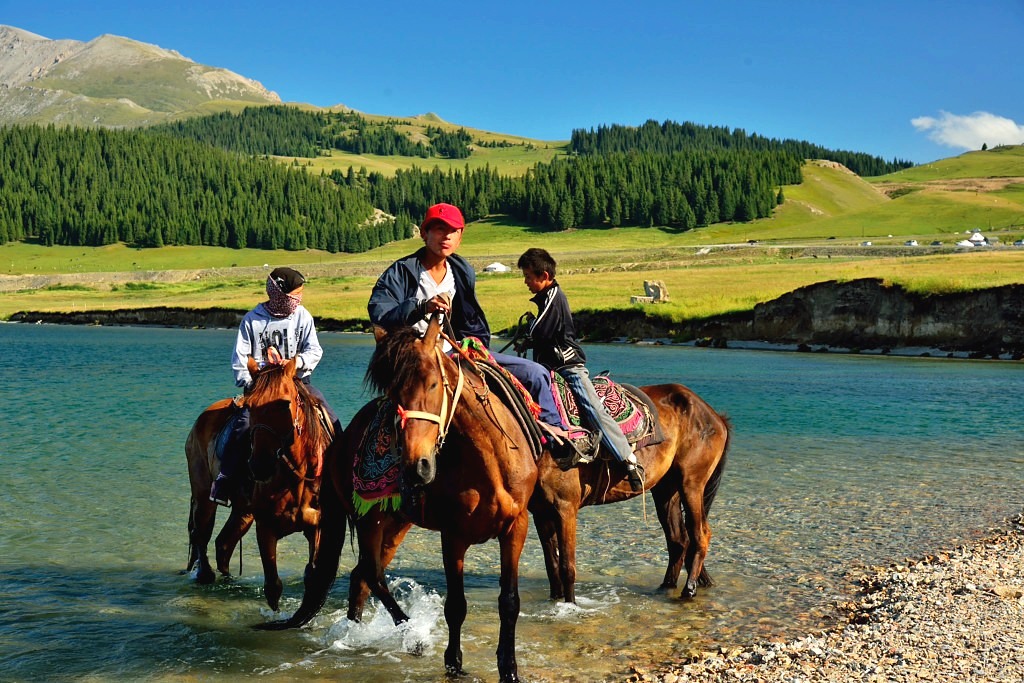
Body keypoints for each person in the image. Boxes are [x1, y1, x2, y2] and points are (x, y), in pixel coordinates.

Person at [368, 202, 569, 438]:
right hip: (415, 360)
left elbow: (471, 320)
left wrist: (477, 346)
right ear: (424, 233)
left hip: (456, 354)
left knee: (535, 373)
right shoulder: (401, 272)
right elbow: (379, 313)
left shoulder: (461, 270)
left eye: (453, 231)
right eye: (439, 229)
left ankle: (556, 439)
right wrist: (421, 306)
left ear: (460, 236)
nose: (446, 236)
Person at [516, 247, 644, 491]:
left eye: (529, 277)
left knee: (591, 407)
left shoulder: (554, 296)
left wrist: (529, 328)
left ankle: (628, 459)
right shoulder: (545, 298)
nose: (526, 282)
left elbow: (540, 330)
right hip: (548, 366)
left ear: (544, 276)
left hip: (567, 365)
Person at [210, 266, 337, 506]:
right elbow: (240, 359)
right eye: (295, 295)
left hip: (297, 383)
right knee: (243, 425)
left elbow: (314, 350)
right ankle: (225, 479)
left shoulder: (302, 316)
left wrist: (297, 362)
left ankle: (337, 474)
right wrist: (253, 384)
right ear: (279, 293)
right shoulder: (252, 320)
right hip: (261, 388)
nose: (299, 299)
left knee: (328, 415)